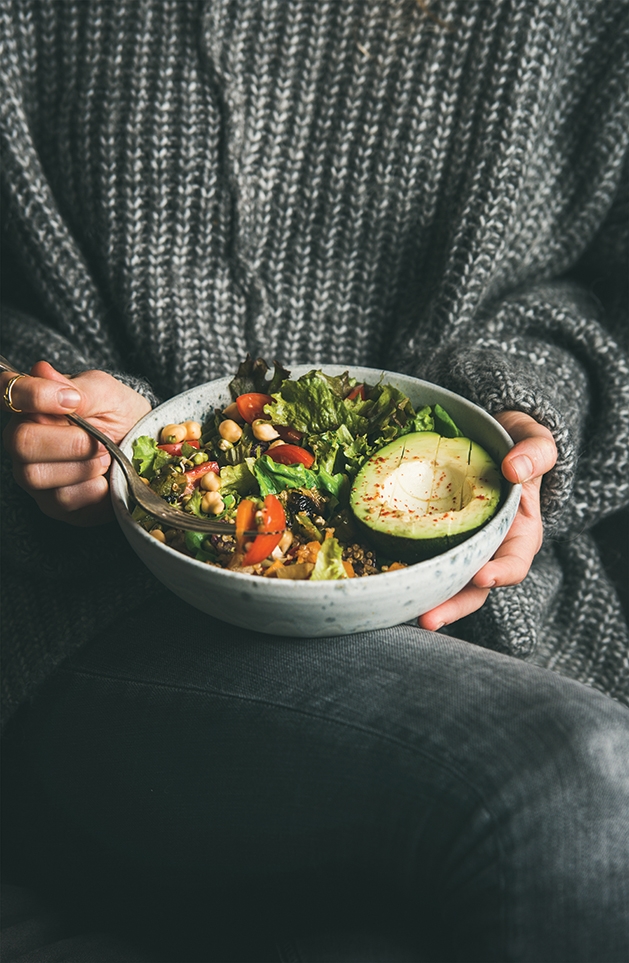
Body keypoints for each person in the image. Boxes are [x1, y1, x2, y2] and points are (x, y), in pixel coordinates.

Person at [1, 0, 628, 960]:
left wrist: (532, 413)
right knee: (568, 782)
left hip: (504, 601)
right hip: (107, 612)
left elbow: (610, 301)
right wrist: (57, 411)